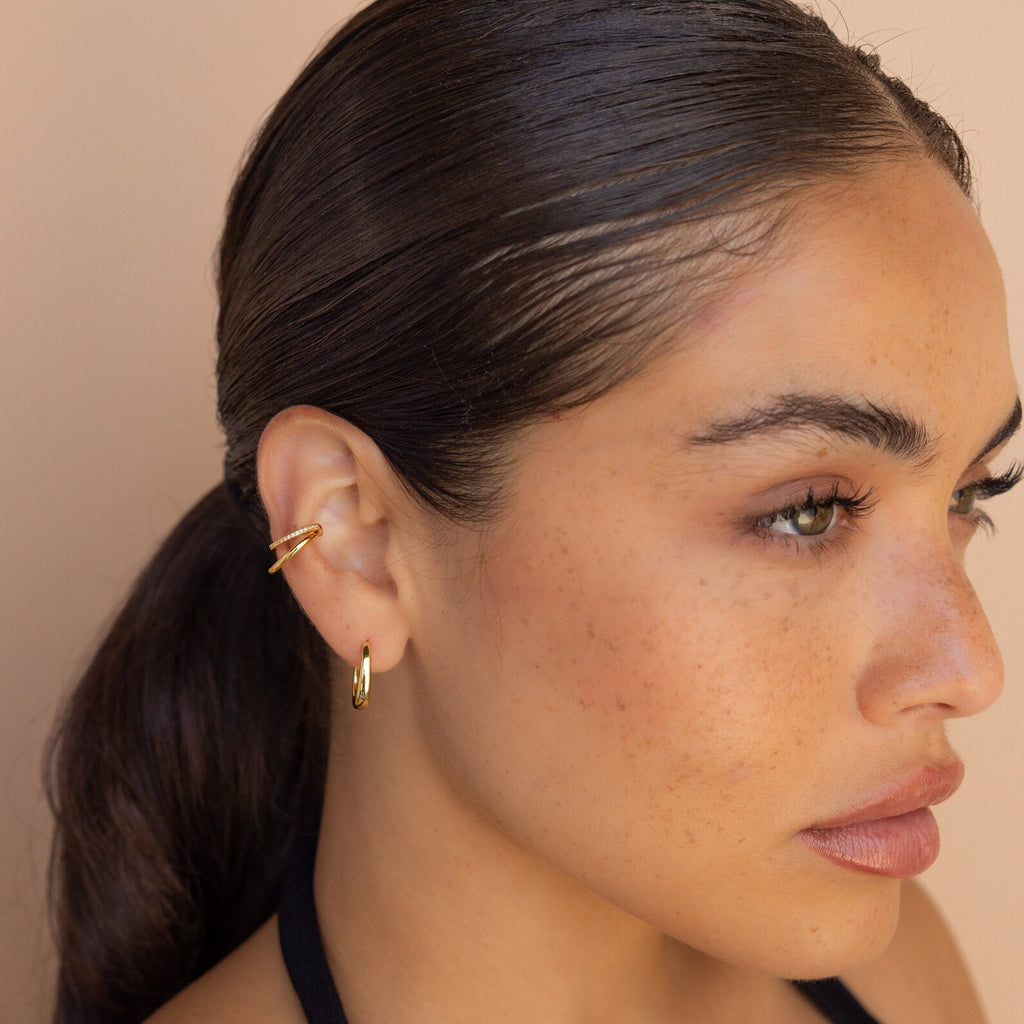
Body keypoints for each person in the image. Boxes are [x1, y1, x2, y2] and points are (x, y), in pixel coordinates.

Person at [46, 1, 1022, 1022]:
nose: (969, 667)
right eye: (809, 511)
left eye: (969, 494)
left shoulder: (890, 973)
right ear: (354, 541)